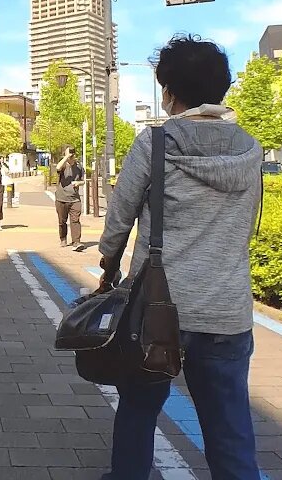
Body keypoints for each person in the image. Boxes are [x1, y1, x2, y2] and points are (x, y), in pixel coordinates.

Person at [96, 35, 263, 480]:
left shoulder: (154, 143)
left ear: (168, 92)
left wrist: (108, 266)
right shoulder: (251, 148)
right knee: (229, 426)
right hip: (226, 308)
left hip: (155, 309)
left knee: (139, 408)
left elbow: (119, 220)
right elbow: (247, 228)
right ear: (222, 88)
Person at [54, 147, 85, 250]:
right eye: (68, 154)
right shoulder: (63, 166)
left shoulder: (79, 166)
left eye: (72, 154)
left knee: (75, 220)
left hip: (75, 199)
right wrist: (66, 157)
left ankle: (76, 242)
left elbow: (83, 180)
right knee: (62, 221)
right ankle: (63, 238)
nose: (70, 156)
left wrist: (78, 183)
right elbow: (58, 167)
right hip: (61, 198)